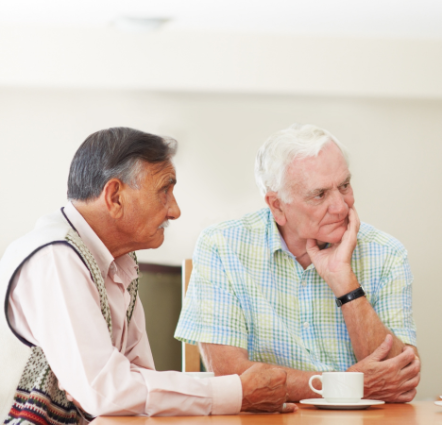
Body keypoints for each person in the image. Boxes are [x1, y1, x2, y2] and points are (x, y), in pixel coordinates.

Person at [0, 128, 295, 425]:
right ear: (115, 197)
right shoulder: (56, 257)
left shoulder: (119, 261)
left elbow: (139, 383)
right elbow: (105, 391)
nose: (175, 211)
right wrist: (236, 393)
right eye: (164, 191)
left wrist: (234, 394)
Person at [174, 124, 420, 402]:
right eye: (320, 195)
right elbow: (231, 375)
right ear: (277, 206)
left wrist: (344, 280)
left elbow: (401, 378)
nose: (341, 207)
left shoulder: (387, 253)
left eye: (344, 186)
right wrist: (345, 386)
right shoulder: (222, 246)